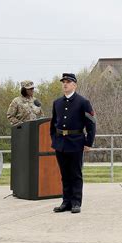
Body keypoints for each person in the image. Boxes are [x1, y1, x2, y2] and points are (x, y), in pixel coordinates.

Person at [51, 73, 96, 214]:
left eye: (68, 82)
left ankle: (76, 202)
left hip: (76, 142)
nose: (65, 84)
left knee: (75, 174)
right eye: (63, 82)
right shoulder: (57, 103)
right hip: (60, 143)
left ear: (74, 85)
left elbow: (91, 124)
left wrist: (88, 142)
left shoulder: (83, 102)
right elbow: (53, 124)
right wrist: (54, 139)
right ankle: (66, 201)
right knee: (64, 174)